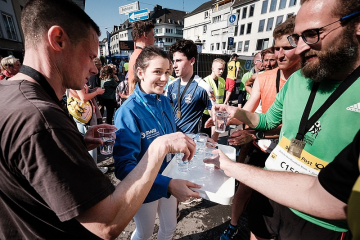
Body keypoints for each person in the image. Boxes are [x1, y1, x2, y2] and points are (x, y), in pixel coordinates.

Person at [0, 0, 196, 239]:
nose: (94, 69)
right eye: (91, 55)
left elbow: (26, 165)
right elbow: (106, 224)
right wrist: (159, 147)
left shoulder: (9, 93)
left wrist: (76, 142)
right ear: (58, 39)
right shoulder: (41, 117)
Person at [210, 0, 360, 238]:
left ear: (356, 25)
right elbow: (267, 121)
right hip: (271, 192)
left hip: (320, 220)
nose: (299, 49)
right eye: (296, 38)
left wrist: (232, 167)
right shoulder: (298, 79)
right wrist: (235, 113)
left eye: (312, 34)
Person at [220, 16, 301, 240]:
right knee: (245, 188)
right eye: (277, 48)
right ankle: (234, 224)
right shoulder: (263, 78)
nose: (279, 54)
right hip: (263, 146)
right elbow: (253, 112)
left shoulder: (305, 79)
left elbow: (293, 128)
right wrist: (227, 117)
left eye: (287, 47)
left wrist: (251, 132)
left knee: (281, 201)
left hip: (291, 152)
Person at [113, 46, 200, 240]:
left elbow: (171, 136)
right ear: (141, 72)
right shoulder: (128, 111)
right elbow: (124, 168)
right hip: (146, 188)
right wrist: (168, 184)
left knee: (169, 228)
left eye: (167, 72)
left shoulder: (164, 101)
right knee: (144, 234)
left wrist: (195, 140)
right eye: (158, 72)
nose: (164, 78)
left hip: (170, 178)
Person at [165, 39, 215, 134]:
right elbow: (165, 112)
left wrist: (214, 143)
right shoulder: (171, 85)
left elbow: (216, 119)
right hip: (172, 139)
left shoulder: (204, 87)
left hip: (191, 143)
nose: (174, 65)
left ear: (192, 61)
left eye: (179, 61)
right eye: (174, 61)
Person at [68, 83, 107, 173]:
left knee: (84, 140)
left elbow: (81, 94)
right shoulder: (78, 80)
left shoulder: (76, 79)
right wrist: (96, 92)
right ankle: (94, 169)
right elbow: (83, 98)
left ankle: (88, 167)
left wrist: (91, 90)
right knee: (91, 140)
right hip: (86, 114)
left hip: (79, 113)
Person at [127, 20, 155, 96]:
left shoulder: (135, 54)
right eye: (153, 35)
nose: (154, 39)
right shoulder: (143, 56)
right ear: (145, 34)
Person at [200, 58, 226, 138]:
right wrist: (214, 116)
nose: (221, 71)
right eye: (219, 69)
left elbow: (221, 97)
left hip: (218, 113)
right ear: (212, 68)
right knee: (205, 136)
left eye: (223, 69)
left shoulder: (222, 81)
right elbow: (205, 100)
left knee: (215, 136)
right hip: (207, 114)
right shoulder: (205, 81)